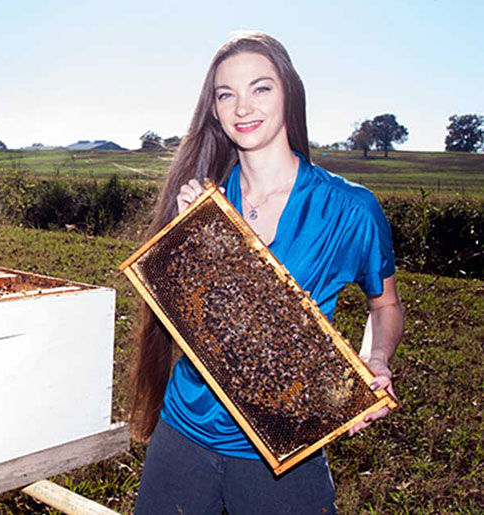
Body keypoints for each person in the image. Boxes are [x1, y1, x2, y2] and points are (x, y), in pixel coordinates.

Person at [132, 31, 404, 514]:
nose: (242, 107)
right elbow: (196, 318)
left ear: (289, 94)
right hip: (183, 434)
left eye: (260, 88)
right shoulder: (202, 206)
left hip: (288, 450)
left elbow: (384, 305)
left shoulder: (351, 209)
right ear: (213, 110)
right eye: (226, 94)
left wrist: (375, 359)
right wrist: (191, 239)